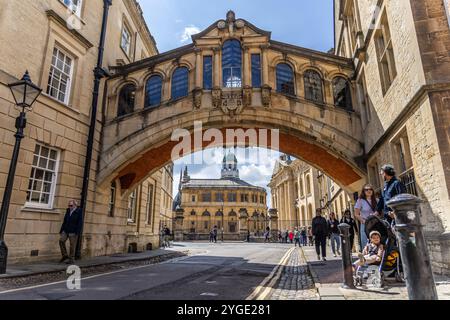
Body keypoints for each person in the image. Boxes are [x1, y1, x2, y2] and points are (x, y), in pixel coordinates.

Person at [355, 184, 379, 251]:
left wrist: (375, 214)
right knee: (365, 242)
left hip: (375, 224)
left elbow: (380, 211)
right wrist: (363, 221)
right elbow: (356, 214)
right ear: (363, 191)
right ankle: (366, 258)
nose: (369, 191)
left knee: (376, 240)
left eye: (370, 189)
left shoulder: (377, 200)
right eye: (366, 189)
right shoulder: (360, 201)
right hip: (365, 224)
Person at [59, 200, 83, 264]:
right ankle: (65, 255)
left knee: (72, 246)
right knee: (61, 241)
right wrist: (61, 230)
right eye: (69, 205)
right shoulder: (68, 210)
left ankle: (71, 259)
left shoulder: (79, 211)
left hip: (73, 231)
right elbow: (65, 220)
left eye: (71, 205)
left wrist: (77, 232)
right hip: (66, 230)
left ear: (75, 205)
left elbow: (80, 223)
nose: (69, 206)